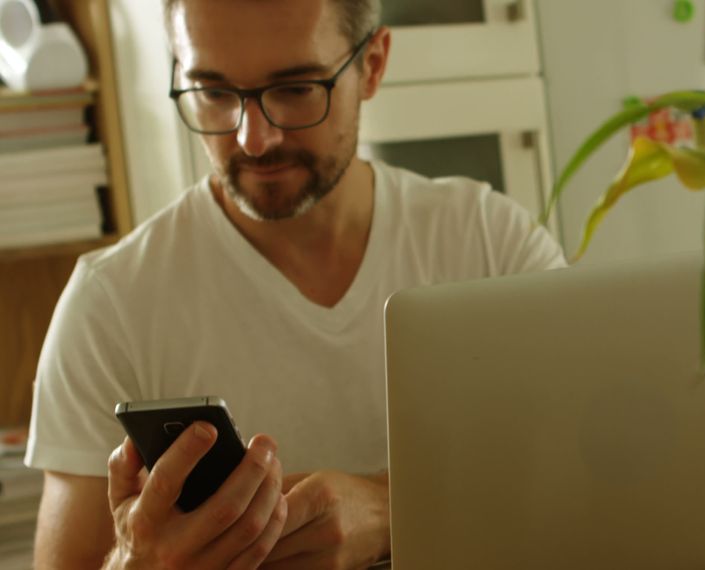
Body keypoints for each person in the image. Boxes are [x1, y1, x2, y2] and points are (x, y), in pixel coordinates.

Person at [25, 0, 565, 567]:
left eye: (297, 89)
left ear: (373, 64)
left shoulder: (489, 242)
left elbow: (596, 484)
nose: (253, 138)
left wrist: (392, 511)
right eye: (213, 92)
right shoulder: (110, 303)